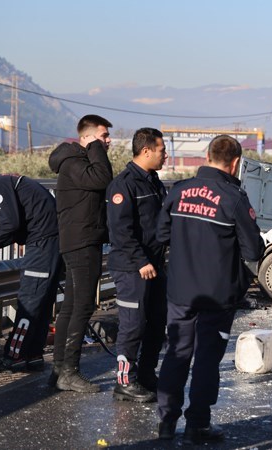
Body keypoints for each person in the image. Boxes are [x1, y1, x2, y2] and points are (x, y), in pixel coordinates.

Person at [156, 135, 264, 444]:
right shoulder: (233, 197)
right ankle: (197, 424)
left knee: (176, 352)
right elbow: (253, 249)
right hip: (217, 294)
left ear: (206, 156)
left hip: (180, 290)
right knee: (205, 358)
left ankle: (166, 422)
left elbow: (160, 233)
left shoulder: (179, 190)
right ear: (235, 164)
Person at [48, 114, 113, 393]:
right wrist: (94, 147)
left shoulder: (74, 162)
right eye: (104, 136)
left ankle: (59, 369)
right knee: (83, 305)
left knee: (72, 306)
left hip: (81, 240)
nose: (108, 142)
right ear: (87, 137)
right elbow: (103, 178)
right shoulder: (76, 163)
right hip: (82, 242)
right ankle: (69, 372)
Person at [106, 128, 168, 403]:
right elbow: (120, 231)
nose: (165, 155)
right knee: (132, 326)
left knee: (157, 322)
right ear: (146, 151)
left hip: (155, 265)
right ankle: (125, 381)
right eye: (162, 150)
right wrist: (141, 260)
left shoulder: (154, 181)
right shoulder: (124, 184)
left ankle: (146, 374)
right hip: (132, 267)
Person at [0, 175, 61, 371]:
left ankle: (15, 355)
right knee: (42, 300)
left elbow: (10, 225)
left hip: (42, 243)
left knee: (30, 301)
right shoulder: (4, 184)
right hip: (49, 241)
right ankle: (32, 353)